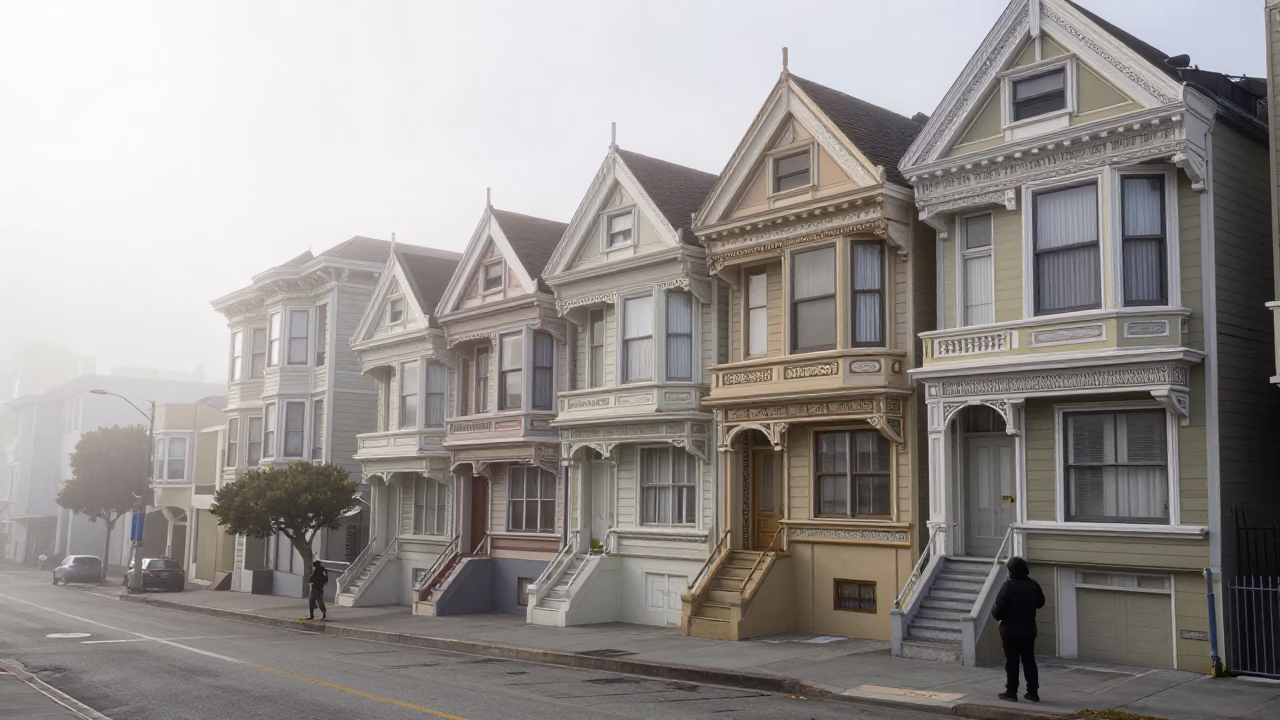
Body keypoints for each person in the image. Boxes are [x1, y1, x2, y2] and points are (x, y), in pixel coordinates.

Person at [991, 556, 1044, 703]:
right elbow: (1040, 603)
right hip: (1029, 630)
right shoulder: (1033, 585)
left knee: (1012, 662)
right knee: (1029, 660)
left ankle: (1011, 692)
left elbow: (997, 611)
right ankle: (1033, 692)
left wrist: (997, 614)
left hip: (1010, 632)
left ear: (1011, 570)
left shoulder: (1008, 586)